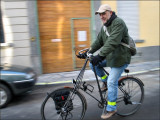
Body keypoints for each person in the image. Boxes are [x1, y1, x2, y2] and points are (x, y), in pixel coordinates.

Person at [88, 4, 132, 119]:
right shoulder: (104, 27)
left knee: (113, 81)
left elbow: (113, 41)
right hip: (111, 57)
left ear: (110, 13)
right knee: (93, 65)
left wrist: (100, 56)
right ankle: (105, 81)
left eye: (104, 13)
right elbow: (99, 41)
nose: (101, 16)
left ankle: (111, 108)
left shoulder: (118, 23)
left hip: (121, 58)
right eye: (100, 14)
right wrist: (89, 51)